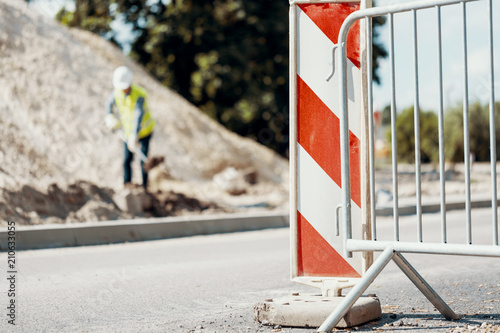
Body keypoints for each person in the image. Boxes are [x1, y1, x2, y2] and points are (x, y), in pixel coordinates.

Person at [105, 66, 156, 189]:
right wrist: (109, 116)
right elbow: (109, 104)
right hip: (128, 133)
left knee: (144, 161)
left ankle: (145, 188)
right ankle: (127, 186)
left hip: (144, 131)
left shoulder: (139, 94)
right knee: (127, 160)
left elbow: (138, 115)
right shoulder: (117, 92)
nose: (123, 89)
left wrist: (134, 135)